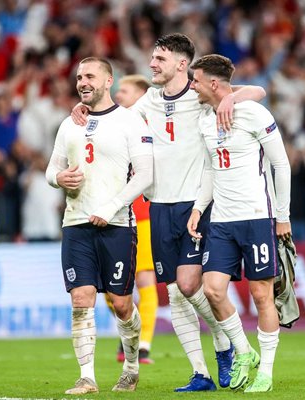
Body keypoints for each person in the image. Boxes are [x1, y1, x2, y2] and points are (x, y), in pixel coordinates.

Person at [72, 33, 266, 391]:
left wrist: (233, 97)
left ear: (181, 63)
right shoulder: (149, 101)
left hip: (197, 205)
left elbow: (258, 93)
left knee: (192, 284)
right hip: (159, 205)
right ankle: (201, 373)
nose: (152, 65)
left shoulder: (200, 96)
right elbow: (118, 120)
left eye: (159, 59)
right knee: (176, 292)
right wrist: (85, 111)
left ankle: (228, 345)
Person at [45, 57, 153, 395]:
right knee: (81, 298)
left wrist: (112, 206)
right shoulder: (69, 124)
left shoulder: (130, 121)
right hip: (76, 223)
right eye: (79, 77)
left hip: (118, 224)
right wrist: (58, 178)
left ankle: (132, 365)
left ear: (109, 80)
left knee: (122, 304)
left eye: (90, 75)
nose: (82, 82)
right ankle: (87, 377)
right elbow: (51, 171)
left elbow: (147, 175)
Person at [187, 54, 292, 393]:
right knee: (213, 289)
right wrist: (198, 208)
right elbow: (208, 168)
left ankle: (268, 371)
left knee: (262, 294)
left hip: (257, 218)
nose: (192, 86)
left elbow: (282, 165)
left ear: (213, 84)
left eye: (196, 80)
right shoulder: (205, 119)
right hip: (221, 221)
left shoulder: (255, 113)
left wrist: (283, 216)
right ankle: (244, 352)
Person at [112, 74, 158, 364]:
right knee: (111, 285)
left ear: (142, 95)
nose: (118, 95)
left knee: (144, 279)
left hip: (142, 216)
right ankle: (128, 331)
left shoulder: (151, 127)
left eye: (124, 91)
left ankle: (143, 345)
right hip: (113, 215)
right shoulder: (111, 124)